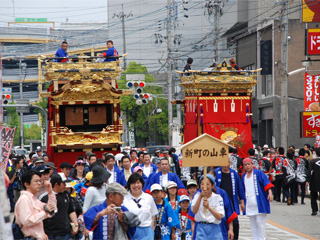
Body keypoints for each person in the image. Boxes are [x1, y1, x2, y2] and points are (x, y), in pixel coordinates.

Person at [15, 170, 57, 240]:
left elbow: (52, 210)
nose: (39, 184)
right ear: (26, 184)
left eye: (40, 181)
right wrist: (44, 212)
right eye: (36, 181)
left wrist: (50, 192)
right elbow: (26, 221)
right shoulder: (24, 199)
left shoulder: (35, 199)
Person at [242, 158, 273, 240]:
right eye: (245, 165)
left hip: (259, 203)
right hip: (249, 204)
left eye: (249, 164)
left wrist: (270, 193)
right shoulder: (244, 177)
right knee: (253, 224)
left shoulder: (258, 173)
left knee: (260, 223)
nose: (247, 166)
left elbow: (266, 182)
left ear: (252, 164)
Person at [40, 173, 78, 239]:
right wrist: (42, 233)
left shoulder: (66, 194)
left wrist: (76, 224)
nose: (65, 186)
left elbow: (71, 210)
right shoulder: (44, 197)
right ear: (56, 184)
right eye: (63, 183)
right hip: (50, 234)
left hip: (65, 233)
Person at [215, 158, 245, 240]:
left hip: (232, 203)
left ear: (230, 163)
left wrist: (242, 201)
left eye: (227, 162)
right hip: (219, 203)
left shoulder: (233, 173)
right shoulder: (216, 172)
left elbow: (240, 188)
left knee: (235, 223)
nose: (225, 164)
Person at [123, 173, 158, 239]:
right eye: (133, 183)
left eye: (138, 182)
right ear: (129, 185)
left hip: (147, 231)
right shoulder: (124, 199)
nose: (136, 185)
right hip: (131, 231)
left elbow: (152, 217)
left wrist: (151, 231)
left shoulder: (149, 198)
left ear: (142, 184)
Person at [191, 174, 225, 240]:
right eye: (202, 184)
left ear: (212, 186)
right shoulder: (197, 196)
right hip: (201, 227)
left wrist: (208, 207)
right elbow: (194, 211)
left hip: (214, 228)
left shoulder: (217, 198)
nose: (204, 187)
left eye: (207, 184)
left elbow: (219, 216)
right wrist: (200, 197)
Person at [307, 147, 320, 216]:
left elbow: (310, 171)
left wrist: (308, 180)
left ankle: (314, 210)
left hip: (314, 181)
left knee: (313, 197)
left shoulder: (312, 161)